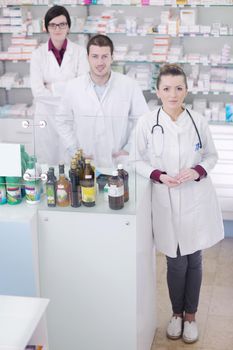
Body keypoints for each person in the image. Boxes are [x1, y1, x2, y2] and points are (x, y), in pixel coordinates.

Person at [131, 64, 224, 344]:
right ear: (158, 91)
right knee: (174, 261)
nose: (174, 94)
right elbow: (135, 160)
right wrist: (157, 175)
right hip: (165, 198)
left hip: (195, 198)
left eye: (179, 88)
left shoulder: (197, 121)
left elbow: (211, 156)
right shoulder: (147, 122)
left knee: (194, 259)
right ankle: (175, 314)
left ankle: (191, 316)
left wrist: (197, 171)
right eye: (167, 88)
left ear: (186, 90)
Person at [56, 34, 149, 167]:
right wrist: (74, 150)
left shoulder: (129, 85)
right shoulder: (73, 86)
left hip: (118, 161)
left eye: (105, 56)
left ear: (112, 57)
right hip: (85, 162)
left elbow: (142, 120)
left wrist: (129, 148)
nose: (100, 62)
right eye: (95, 56)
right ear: (87, 57)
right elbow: (62, 121)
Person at [30, 5, 89, 165]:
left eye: (62, 24)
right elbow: (38, 92)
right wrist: (68, 89)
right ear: (47, 27)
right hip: (46, 117)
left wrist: (52, 87)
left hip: (71, 116)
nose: (58, 29)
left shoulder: (80, 52)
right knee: (46, 162)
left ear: (68, 26)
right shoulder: (38, 55)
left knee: (72, 162)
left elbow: (82, 86)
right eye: (53, 25)